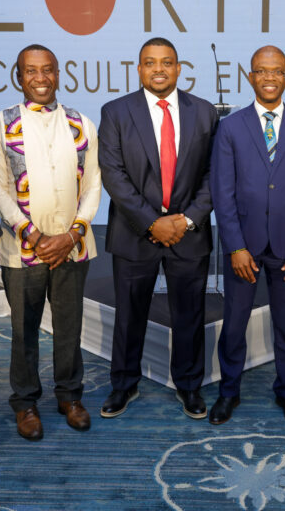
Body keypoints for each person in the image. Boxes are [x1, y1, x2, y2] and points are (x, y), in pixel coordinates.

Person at [0, 45, 100, 437]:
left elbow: (93, 185)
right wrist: (32, 234)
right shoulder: (0, 124)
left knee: (69, 328)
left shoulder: (81, 123)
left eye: (47, 70)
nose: (40, 78)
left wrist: (73, 233)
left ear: (58, 74)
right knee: (23, 331)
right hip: (22, 250)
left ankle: (70, 396)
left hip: (73, 247)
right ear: (19, 77)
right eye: (31, 71)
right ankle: (25, 403)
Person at [97, 37, 217, 419]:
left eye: (167, 62)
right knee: (129, 316)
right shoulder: (115, 112)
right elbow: (113, 174)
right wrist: (151, 222)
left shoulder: (204, 112)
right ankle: (123, 384)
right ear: (139, 69)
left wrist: (186, 219)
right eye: (150, 62)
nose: (159, 69)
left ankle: (189, 385)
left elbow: (215, 173)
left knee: (190, 316)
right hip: (134, 232)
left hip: (188, 232)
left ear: (179, 69)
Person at [208, 45, 285, 426]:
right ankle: (229, 391)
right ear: (250, 76)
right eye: (262, 70)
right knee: (234, 324)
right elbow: (222, 193)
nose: (269, 77)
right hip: (244, 248)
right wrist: (235, 247)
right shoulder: (230, 128)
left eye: (277, 71)